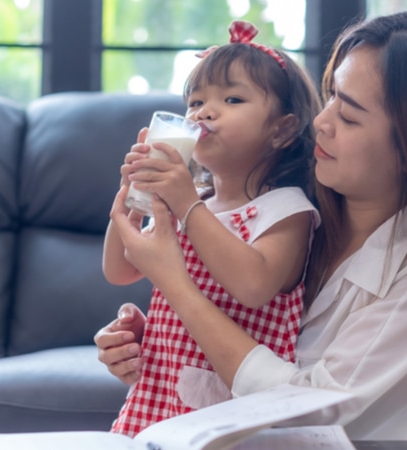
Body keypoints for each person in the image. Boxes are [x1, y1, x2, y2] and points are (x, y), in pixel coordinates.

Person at [96, 9, 407, 440]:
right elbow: (238, 328)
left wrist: (178, 289)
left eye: (349, 116)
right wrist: (162, 344)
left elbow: (306, 412)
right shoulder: (288, 220)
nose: (320, 122)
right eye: (331, 96)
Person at [102, 20, 322, 437]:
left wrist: (184, 204)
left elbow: (253, 285)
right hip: (159, 396)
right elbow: (121, 270)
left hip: (230, 411)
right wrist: (130, 200)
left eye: (232, 98)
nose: (203, 112)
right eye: (195, 102)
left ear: (283, 129)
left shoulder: (285, 209)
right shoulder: (196, 202)